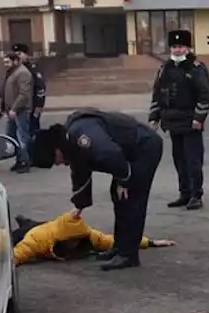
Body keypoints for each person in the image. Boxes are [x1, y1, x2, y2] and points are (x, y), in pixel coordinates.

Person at [29, 109, 165, 271]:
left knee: (131, 200)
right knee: (118, 197)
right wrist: (79, 205)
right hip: (127, 156)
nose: (58, 164)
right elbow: (81, 174)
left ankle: (128, 255)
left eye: (55, 160)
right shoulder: (71, 143)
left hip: (144, 147)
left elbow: (111, 154)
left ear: (55, 148)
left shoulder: (82, 135)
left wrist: (124, 181)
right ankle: (119, 247)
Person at [147, 30, 209, 211]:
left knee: (193, 161)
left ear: (188, 48)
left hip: (191, 122)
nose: (177, 50)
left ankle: (196, 195)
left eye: (181, 47)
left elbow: (205, 95)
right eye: (174, 47)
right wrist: (154, 118)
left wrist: (199, 118)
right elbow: (157, 94)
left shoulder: (196, 68)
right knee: (179, 160)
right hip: (172, 122)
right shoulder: (164, 68)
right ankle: (184, 193)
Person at [11, 212, 174, 266]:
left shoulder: (89, 235)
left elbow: (113, 241)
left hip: (50, 226)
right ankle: (24, 223)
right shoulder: (37, 239)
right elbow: (19, 253)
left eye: (77, 240)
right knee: (13, 236)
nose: (75, 244)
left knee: (40, 224)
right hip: (34, 231)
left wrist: (151, 242)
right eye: (71, 241)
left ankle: (26, 221)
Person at [0, 51, 35, 174]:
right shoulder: (12, 72)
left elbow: (24, 94)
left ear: (16, 61)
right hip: (11, 111)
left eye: (8, 62)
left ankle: (26, 161)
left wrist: (14, 108)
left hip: (20, 110)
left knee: (22, 137)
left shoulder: (22, 73)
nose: (6, 64)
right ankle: (19, 160)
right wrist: (3, 108)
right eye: (4, 62)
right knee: (11, 136)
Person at [13, 44, 47, 133]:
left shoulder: (33, 70)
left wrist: (39, 106)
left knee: (31, 132)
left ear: (26, 55)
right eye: (15, 54)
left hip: (31, 107)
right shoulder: (12, 70)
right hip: (16, 108)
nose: (17, 56)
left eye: (20, 54)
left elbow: (40, 88)